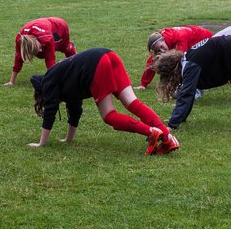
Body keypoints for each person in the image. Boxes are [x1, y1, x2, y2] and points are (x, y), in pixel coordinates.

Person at [29, 47, 179, 154]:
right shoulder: (63, 79)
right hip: (108, 54)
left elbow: (50, 111)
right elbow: (75, 110)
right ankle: (168, 138)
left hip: (95, 64)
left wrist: (41, 143)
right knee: (132, 103)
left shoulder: (48, 81)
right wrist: (69, 139)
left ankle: (151, 133)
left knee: (109, 115)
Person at [5, 17, 76, 86]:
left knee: (66, 48)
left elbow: (50, 61)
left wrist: (53, 81)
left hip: (59, 25)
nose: (40, 50)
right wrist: (11, 81)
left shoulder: (46, 39)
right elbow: (18, 59)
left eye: (38, 48)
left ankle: (78, 66)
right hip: (42, 26)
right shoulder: (20, 40)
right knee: (41, 54)